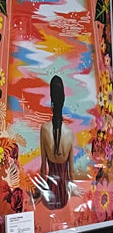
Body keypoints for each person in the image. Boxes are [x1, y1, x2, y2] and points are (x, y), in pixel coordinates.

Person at [35, 75, 75, 210]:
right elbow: (71, 173)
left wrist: (38, 192)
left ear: (51, 101)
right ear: (63, 101)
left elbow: (43, 169)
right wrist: (74, 191)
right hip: (64, 198)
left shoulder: (44, 129)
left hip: (49, 197)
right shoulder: (70, 133)